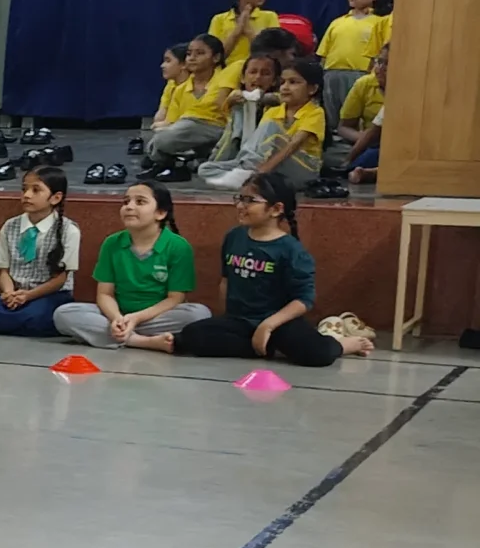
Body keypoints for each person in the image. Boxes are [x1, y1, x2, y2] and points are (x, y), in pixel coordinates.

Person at [150, 172, 373, 363]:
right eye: (240, 198)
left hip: (279, 323)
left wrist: (268, 325)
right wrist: (227, 319)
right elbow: (226, 281)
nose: (241, 206)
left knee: (316, 354)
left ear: (276, 209)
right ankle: (262, 347)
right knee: (194, 335)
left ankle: (342, 344)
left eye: (250, 201)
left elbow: (304, 300)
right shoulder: (234, 237)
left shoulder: (291, 250)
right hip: (240, 321)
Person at [58, 177, 209, 349]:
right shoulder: (112, 243)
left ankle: (117, 336)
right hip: (116, 314)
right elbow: (105, 294)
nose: (129, 207)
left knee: (198, 315)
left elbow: (175, 298)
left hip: (157, 316)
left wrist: (135, 318)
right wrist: (117, 318)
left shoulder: (178, 246)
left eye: (140, 202)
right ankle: (140, 341)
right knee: (63, 314)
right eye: (126, 201)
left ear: (160, 213)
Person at [0, 168, 80, 337]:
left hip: (50, 295)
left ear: (56, 198)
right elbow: (4, 270)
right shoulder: (10, 226)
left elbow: (60, 279)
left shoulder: (69, 230)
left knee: (37, 317)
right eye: (24, 189)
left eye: (36, 190)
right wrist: (9, 293)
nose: (27, 195)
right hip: (17, 293)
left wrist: (28, 296)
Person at [201, 54, 324, 191]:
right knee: (205, 168)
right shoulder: (273, 111)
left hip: (302, 172)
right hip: (274, 171)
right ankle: (247, 177)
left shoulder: (315, 112)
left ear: (312, 89)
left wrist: (261, 171)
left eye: (293, 82)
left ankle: (246, 175)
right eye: (283, 82)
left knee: (273, 130)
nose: (285, 87)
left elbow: (292, 146)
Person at [316, 0, 391, 137]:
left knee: (353, 117)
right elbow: (324, 55)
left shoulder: (380, 22)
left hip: (360, 76)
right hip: (331, 76)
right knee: (333, 118)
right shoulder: (337, 22)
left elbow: (380, 54)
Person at [147, 32, 231, 167]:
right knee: (162, 138)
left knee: (162, 141)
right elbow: (173, 122)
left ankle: (178, 160)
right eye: (189, 54)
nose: (192, 58)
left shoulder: (225, 81)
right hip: (190, 132)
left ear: (216, 57)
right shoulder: (180, 89)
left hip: (219, 129)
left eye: (200, 53)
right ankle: (191, 158)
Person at [210, 0, 275, 82]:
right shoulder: (219, 19)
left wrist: (248, 30)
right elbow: (215, 58)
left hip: (259, 77)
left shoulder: (270, 17)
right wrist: (237, 31)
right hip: (225, 75)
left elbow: (271, 54)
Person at [341, 46, 387, 183]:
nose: (380, 68)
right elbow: (344, 127)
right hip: (369, 142)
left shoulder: (408, 89)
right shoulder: (364, 84)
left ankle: (371, 173)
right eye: (379, 62)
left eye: (388, 64)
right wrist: (362, 138)